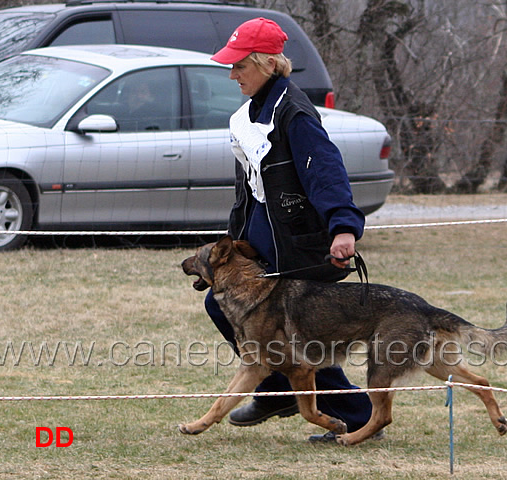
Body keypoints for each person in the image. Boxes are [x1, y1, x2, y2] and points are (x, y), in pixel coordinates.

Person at [206, 17, 378, 442]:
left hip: (298, 242)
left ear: (265, 64)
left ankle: (353, 416)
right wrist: (235, 236)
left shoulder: (294, 111)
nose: (232, 75)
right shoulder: (250, 114)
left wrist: (343, 226)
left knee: (301, 335)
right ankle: (278, 390)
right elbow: (249, 186)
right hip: (262, 237)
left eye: (239, 66)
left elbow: (325, 170)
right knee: (221, 304)